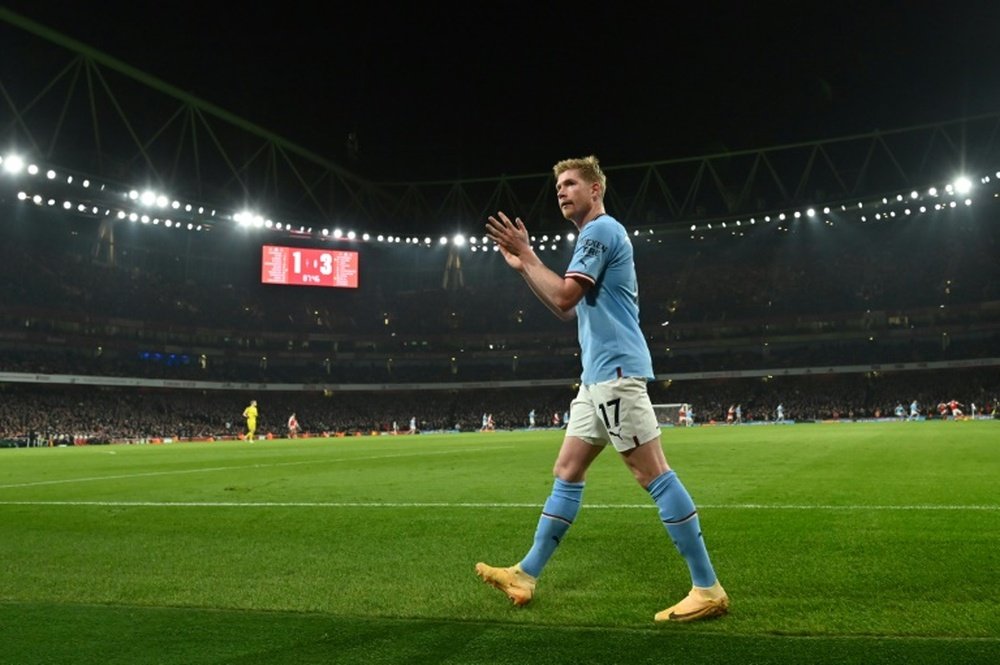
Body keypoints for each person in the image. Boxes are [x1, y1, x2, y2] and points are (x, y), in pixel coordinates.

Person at [476, 155, 727, 623]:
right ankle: (526, 574)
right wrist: (524, 267)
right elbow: (565, 307)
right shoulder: (591, 238)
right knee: (567, 470)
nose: (562, 191)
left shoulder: (600, 231)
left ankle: (707, 587)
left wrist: (528, 255)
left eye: (571, 183)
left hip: (614, 373)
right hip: (596, 380)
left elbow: (565, 296)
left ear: (596, 190)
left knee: (653, 474)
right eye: (558, 187)